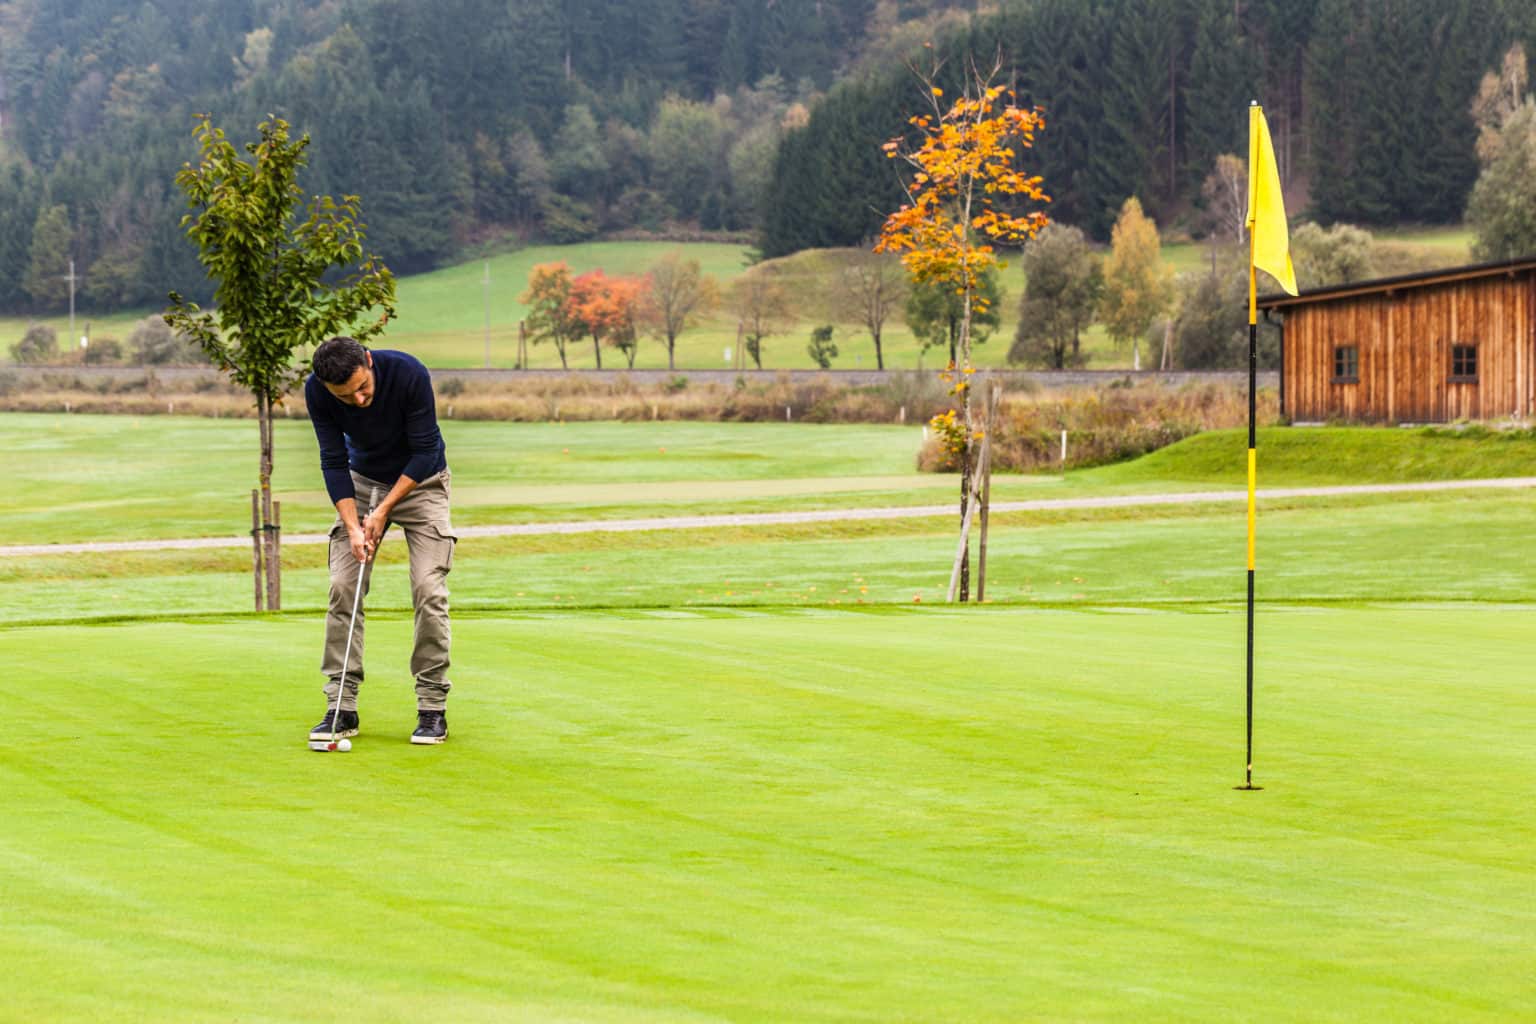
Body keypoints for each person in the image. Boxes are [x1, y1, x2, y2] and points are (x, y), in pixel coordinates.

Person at [305, 336, 457, 745]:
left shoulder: (409, 373)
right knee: (343, 586)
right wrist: (354, 526)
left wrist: (383, 510)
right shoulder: (317, 392)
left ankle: (431, 708)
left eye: (362, 387)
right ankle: (341, 705)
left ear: (369, 362)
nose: (357, 400)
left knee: (428, 587)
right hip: (361, 483)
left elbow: (425, 450)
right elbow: (333, 460)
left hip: (422, 482)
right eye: (345, 395)